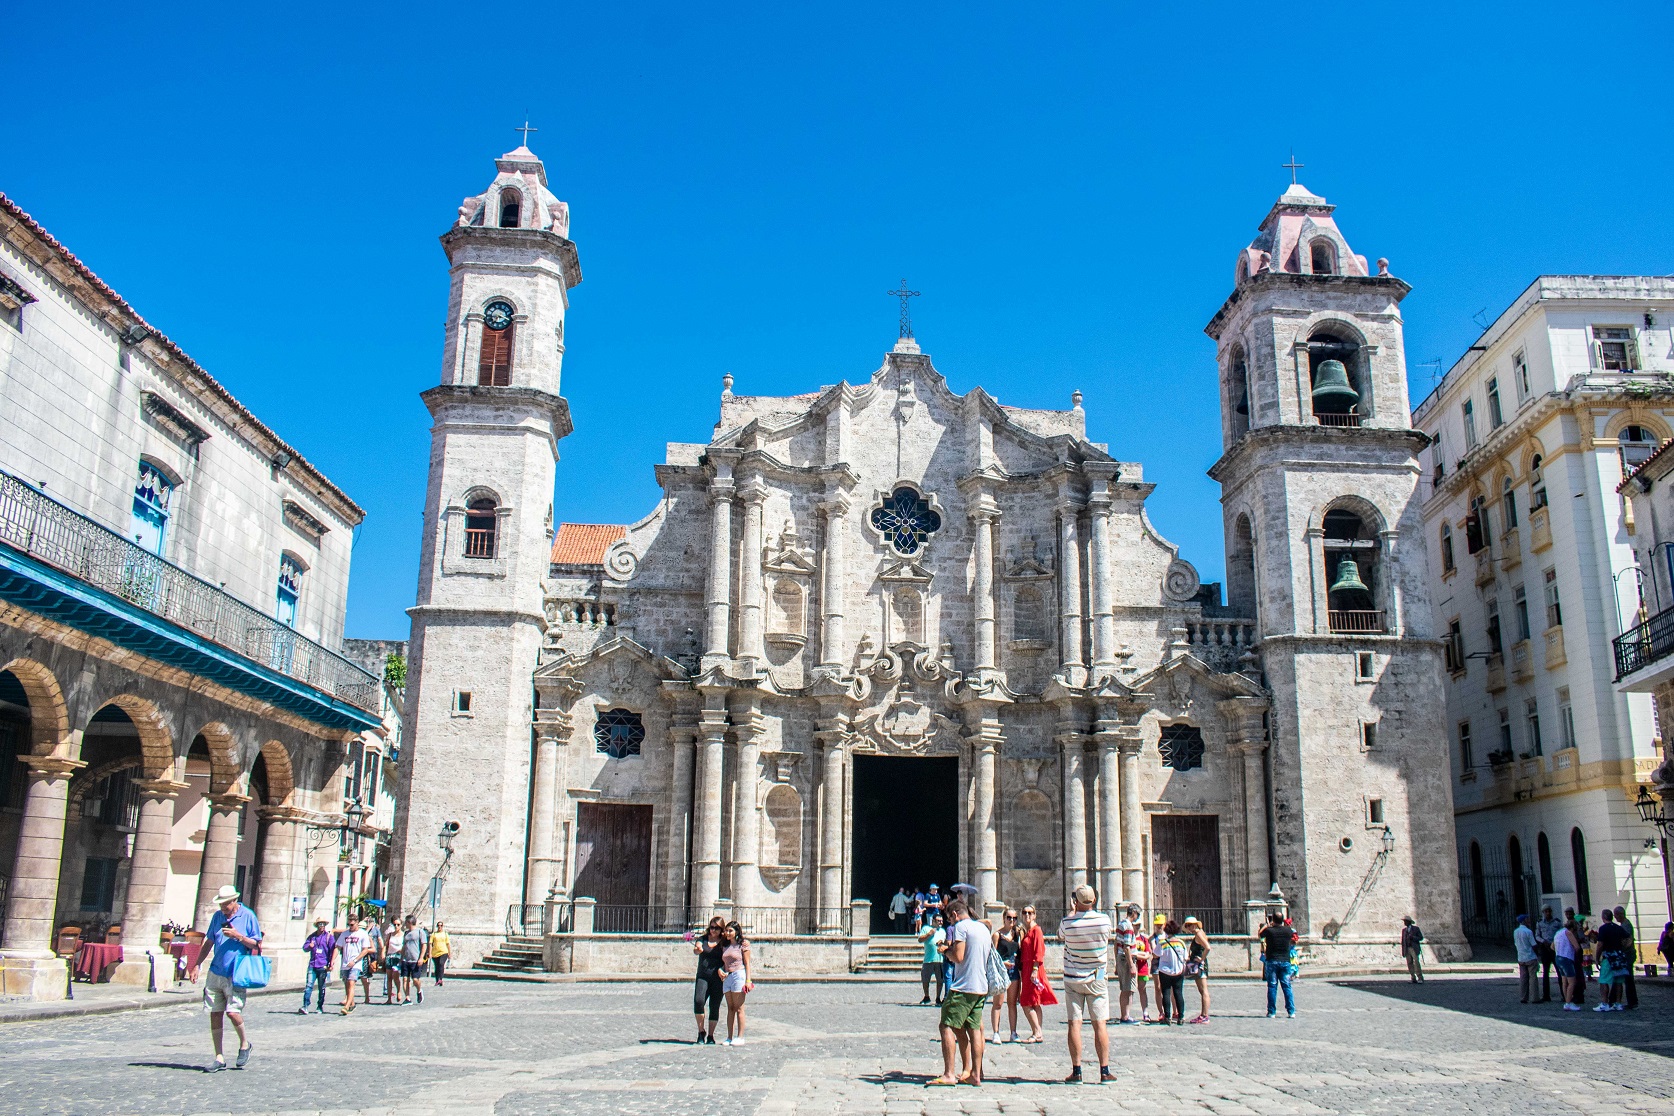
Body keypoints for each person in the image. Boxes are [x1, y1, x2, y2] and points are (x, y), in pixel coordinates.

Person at [185, 884, 261, 1072]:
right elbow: (209, 941)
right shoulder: (218, 917)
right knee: (215, 1013)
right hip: (216, 971)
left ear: (234, 901)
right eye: (221, 905)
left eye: (225, 905)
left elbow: (256, 944)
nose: (223, 909)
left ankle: (244, 1043)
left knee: (233, 1012)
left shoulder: (248, 916)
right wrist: (196, 964)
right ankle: (219, 1057)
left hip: (236, 973)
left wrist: (238, 936)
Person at [927, 897, 989, 1087]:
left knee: (945, 1025)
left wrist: (946, 950)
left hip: (964, 986)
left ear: (955, 914)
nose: (951, 923)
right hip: (981, 986)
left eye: (950, 919)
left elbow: (959, 957)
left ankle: (949, 1074)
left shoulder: (962, 927)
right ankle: (975, 1074)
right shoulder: (983, 928)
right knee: (974, 1030)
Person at [1057, 883, 1113, 1085]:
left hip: (1073, 979)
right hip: (1097, 979)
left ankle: (1077, 1071)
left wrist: (1073, 913)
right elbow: (1108, 936)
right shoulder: (1104, 921)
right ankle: (1105, 1071)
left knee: (1074, 1024)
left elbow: (1060, 936)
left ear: (1076, 901)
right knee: (1100, 1025)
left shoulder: (1067, 923)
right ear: (1094, 900)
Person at [1014, 905, 1053, 1041]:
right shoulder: (1027, 931)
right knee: (1035, 1002)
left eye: (1030, 913)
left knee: (1026, 1002)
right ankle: (1038, 1032)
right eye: (1024, 912)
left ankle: (1037, 1032)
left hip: (1033, 969)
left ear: (1035, 915)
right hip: (1027, 969)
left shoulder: (1037, 931)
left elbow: (1039, 951)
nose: (1027, 915)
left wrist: (1035, 970)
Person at [691, 915, 726, 1044]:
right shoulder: (703, 939)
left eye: (717, 928)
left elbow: (728, 956)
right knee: (699, 1001)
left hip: (718, 978)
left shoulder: (724, 942)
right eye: (712, 927)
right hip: (703, 976)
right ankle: (701, 1031)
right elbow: (697, 948)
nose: (713, 930)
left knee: (714, 1006)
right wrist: (698, 949)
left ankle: (711, 1035)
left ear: (721, 929)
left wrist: (723, 969)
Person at [1256, 911, 1297, 1018]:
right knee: (1287, 986)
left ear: (1273, 920)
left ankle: (1272, 1012)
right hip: (1285, 961)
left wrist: (1268, 925)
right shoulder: (1288, 931)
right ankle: (1291, 1011)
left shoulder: (1269, 931)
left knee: (1272, 987)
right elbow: (1293, 939)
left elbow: (1260, 935)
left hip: (1272, 961)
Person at [720, 920, 754, 1044]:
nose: (727, 933)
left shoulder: (743, 944)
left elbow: (747, 963)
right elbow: (724, 963)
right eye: (726, 930)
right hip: (727, 977)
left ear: (736, 932)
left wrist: (748, 981)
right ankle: (729, 1037)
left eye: (730, 931)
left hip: (739, 975)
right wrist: (721, 970)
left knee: (739, 1007)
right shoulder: (725, 945)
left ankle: (740, 1037)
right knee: (730, 1008)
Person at [989, 908, 1020, 1042]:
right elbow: (992, 955)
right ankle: (996, 1032)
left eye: (1014, 918)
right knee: (998, 1003)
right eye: (1009, 917)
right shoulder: (997, 935)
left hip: (1013, 971)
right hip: (1001, 972)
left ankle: (1013, 1032)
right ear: (1004, 918)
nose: (1011, 920)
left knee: (1012, 1003)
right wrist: (1003, 963)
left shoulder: (1017, 935)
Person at [337, 915, 376, 1015]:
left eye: (352, 924)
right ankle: (352, 1003)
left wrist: (355, 960)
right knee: (347, 984)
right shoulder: (344, 934)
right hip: (345, 963)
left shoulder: (363, 934)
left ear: (356, 923)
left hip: (357, 963)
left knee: (351, 983)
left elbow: (366, 950)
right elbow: (338, 947)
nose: (350, 926)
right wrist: (332, 960)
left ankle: (347, 1006)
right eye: (349, 924)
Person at [1594, 908, 1630, 1012]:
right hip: (1619, 956)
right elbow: (1629, 937)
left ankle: (1605, 1003)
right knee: (1618, 982)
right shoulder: (1618, 928)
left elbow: (1600, 944)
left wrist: (1597, 958)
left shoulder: (1603, 929)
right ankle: (1618, 1003)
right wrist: (1625, 947)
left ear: (1603, 917)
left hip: (1608, 957)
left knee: (1604, 981)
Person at [1153, 920, 1189, 1025]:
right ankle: (1181, 1017)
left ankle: (1167, 1017)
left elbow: (1156, 954)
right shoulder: (1181, 943)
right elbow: (1186, 957)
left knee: (1166, 993)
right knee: (1178, 993)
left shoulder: (1163, 943)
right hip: (1178, 970)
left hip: (1165, 971)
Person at [299, 918, 335, 1014]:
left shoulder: (328, 937)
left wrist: (331, 963)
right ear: (317, 926)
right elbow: (305, 948)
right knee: (309, 985)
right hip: (313, 964)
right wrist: (309, 946)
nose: (321, 926)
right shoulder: (312, 937)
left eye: (323, 924)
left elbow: (332, 950)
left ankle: (319, 1006)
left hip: (323, 965)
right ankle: (305, 1005)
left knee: (321, 987)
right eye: (320, 924)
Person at [1184, 915, 1212, 1024]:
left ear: (1195, 924)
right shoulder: (1200, 933)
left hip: (1200, 965)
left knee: (1203, 990)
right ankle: (1204, 1014)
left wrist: (1202, 959)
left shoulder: (1199, 934)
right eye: (1187, 926)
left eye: (1190, 925)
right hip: (1199, 964)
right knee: (1202, 990)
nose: (1189, 928)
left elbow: (1208, 947)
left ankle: (1204, 1015)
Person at [1111, 915, 1138, 1024]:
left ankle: (1125, 1015)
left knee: (1125, 988)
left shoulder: (1120, 924)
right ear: (1134, 913)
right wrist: (1131, 964)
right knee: (1129, 988)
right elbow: (1126, 947)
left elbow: (1116, 944)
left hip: (1121, 958)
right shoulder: (1128, 927)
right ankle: (1126, 1016)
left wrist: (1117, 963)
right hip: (1126, 959)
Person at [1533, 906, 1562, 1002]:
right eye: (1545, 911)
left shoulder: (1557, 922)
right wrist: (1543, 941)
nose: (1548, 913)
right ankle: (1546, 995)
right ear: (1543, 912)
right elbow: (1537, 935)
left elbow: (1561, 933)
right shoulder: (1540, 923)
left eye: (1549, 911)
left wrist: (1555, 942)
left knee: (1559, 972)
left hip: (1555, 948)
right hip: (1545, 948)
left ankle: (1564, 994)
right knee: (1545, 972)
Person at [918, 914, 947, 1005]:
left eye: (941, 921)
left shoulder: (943, 931)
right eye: (938, 921)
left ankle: (938, 997)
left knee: (940, 980)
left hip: (940, 959)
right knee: (925, 979)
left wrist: (942, 943)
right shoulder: (926, 928)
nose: (940, 922)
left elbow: (946, 942)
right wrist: (929, 934)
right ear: (933, 921)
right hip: (929, 959)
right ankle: (926, 996)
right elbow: (920, 939)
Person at [1554, 915, 1582, 1010]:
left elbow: (1552, 947)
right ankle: (1569, 1003)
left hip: (1558, 957)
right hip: (1566, 958)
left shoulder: (1558, 933)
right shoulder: (1568, 933)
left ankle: (1566, 1000)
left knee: (1564, 981)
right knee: (1572, 982)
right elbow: (1577, 947)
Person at [400, 915, 429, 1005]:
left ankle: (419, 990)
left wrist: (421, 958)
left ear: (409, 922)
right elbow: (404, 946)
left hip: (415, 960)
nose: (405, 924)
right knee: (405, 979)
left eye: (406, 922)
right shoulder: (406, 933)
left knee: (415, 980)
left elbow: (424, 945)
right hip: (406, 959)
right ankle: (407, 998)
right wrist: (401, 957)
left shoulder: (420, 932)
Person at [1613, 906, 1638, 1010]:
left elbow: (1628, 940)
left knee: (1628, 979)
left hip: (1628, 954)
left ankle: (1632, 1001)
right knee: (1627, 979)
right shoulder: (1624, 924)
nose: (1615, 917)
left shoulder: (1626, 925)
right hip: (1627, 954)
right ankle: (1631, 1001)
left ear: (1620, 914)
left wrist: (1621, 947)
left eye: (1616, 915)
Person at [1513, 914, 1538, 1003]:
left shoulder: (1516, 932)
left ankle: (1523, 997)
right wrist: (1537, 954)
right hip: (1530, 956)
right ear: (1524, 921)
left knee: (1523, 978)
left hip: (1521, 957)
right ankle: (1535, 997)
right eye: (1527, 919)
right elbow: (1534, 945)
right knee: (1533, 978)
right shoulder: (1528, 932)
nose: (1529, 921)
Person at [382, 916, 403, 1004]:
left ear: (401, 925)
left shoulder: (403, 935)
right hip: (390, 956)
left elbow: (405, 946)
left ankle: (398, 990)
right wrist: (383, 953)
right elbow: (386, 945)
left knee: (395, 975)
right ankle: (389, 998)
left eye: (398, 924)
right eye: (394, 924)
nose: (396, 926)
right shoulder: (390, 935)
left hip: (398, 957)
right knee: (389, 977)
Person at [1399, 917, 1425, 984]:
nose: (1404, 922)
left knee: (1416, 962)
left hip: (1414, 948)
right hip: (1407, 948)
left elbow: (1421, 937)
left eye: (1405, 921)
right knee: (1409, 963)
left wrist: (1413, 937)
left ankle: (1420, 977)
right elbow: (1403, 941)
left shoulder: (1416, 929)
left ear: (1409, 922)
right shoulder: (1404, 930)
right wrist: (1403, 950)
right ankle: (1413, 977)